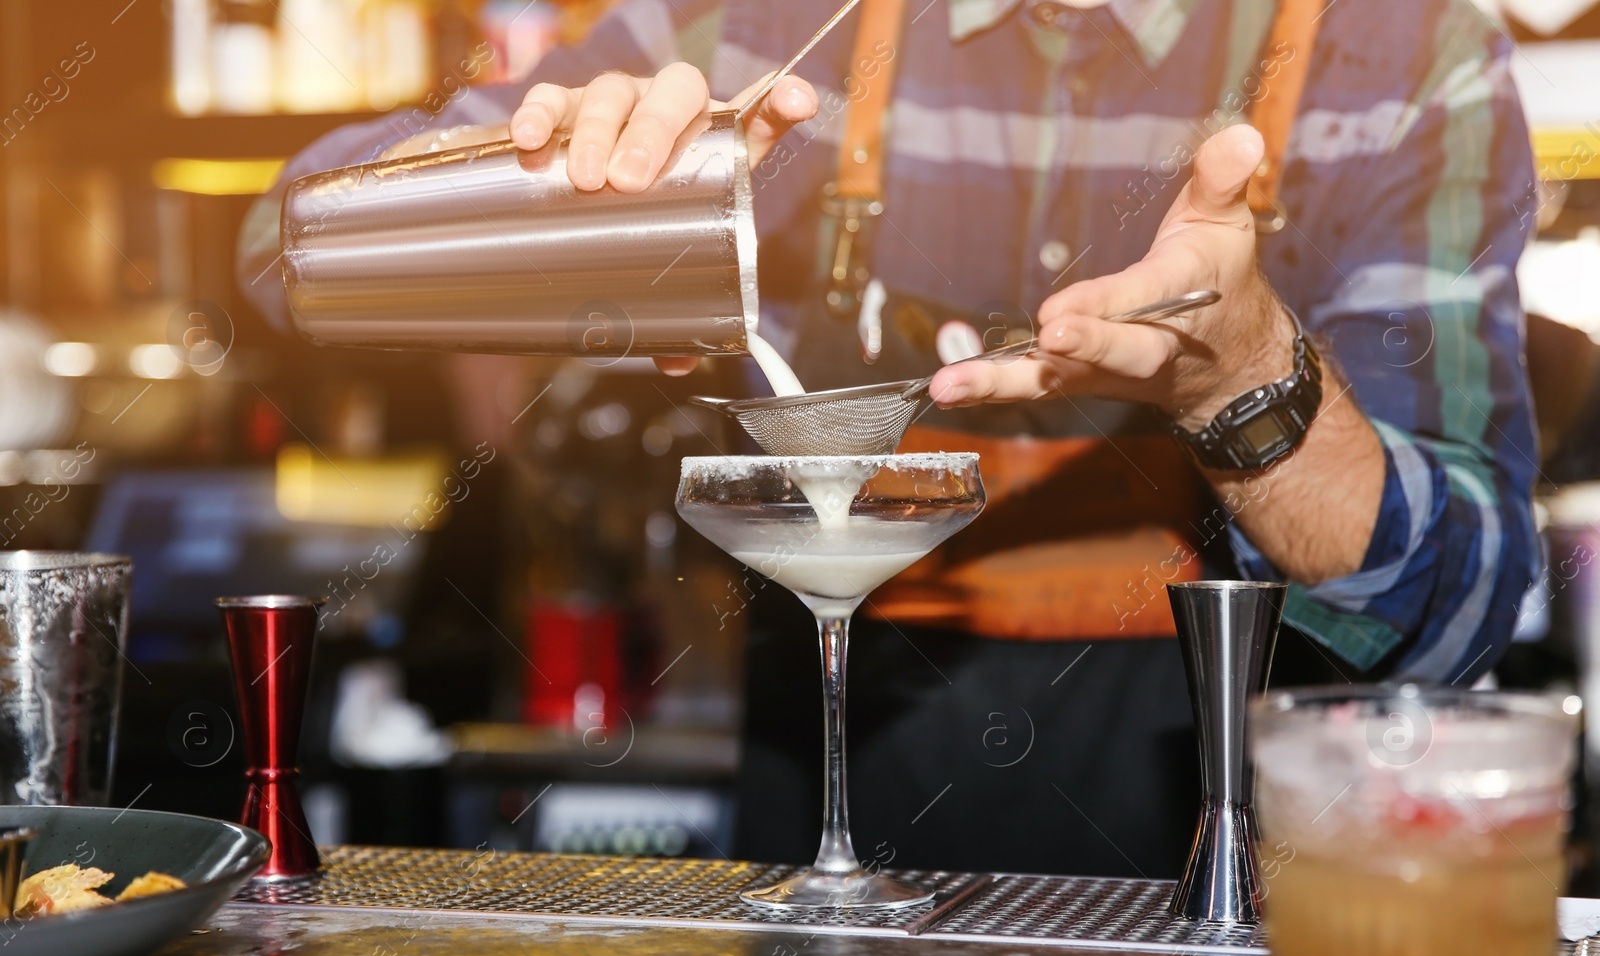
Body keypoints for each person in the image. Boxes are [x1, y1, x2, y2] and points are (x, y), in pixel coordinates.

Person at [240, 0, 1539, 878]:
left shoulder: (1403, 47)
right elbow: (279, 251)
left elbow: (1465, 604)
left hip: (1223, 885)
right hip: (818, 864)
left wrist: (1249, 382)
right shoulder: (773, 26)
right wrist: (543, 188)